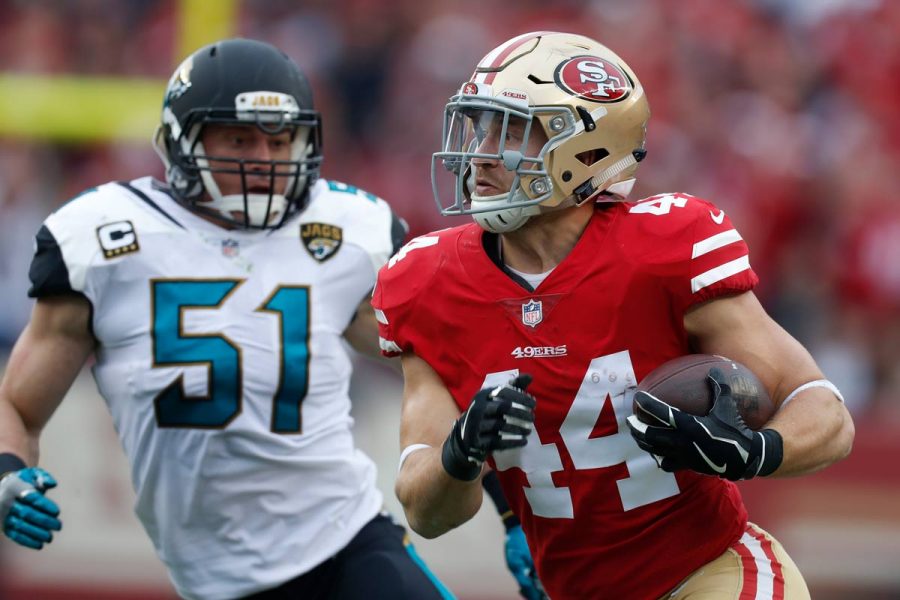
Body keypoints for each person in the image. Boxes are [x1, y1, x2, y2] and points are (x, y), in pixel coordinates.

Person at [372, 31, 855, 599]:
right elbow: (426, 511)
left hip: (706, 573)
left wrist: (756, 451)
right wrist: (460, 451)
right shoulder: (426, 280)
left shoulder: (663, 249)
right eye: (481, 125)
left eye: (513, 131)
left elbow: (822, 410)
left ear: (588, 151)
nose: (481, 151)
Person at [0, 38, 469, 600]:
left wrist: (510, 510)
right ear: (182, 141)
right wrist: (8, 472)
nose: (263, 160)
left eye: (279, 139)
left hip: (346, 538)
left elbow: (440, 372)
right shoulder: (104, 239)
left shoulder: (350, 229)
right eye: (239, 138)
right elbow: (17, 404)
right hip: (211, 578)